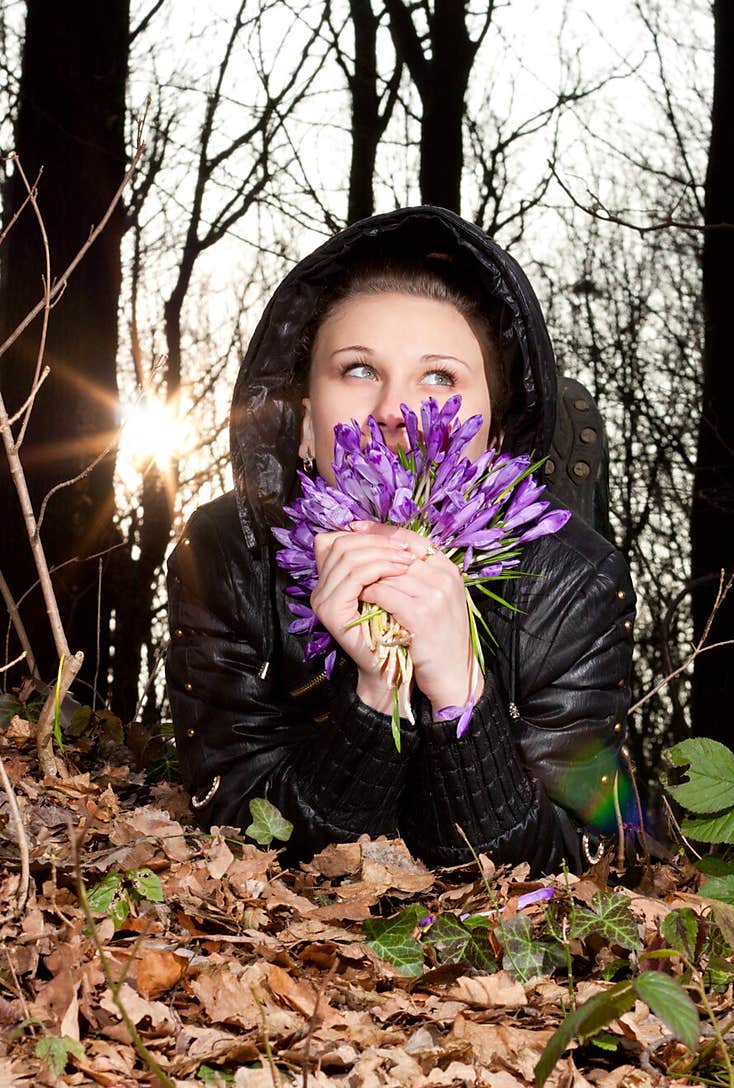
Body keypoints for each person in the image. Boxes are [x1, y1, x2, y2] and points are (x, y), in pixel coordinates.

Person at [165, 205, 637, 876]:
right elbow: (238, 835)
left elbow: (572, 865)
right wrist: (377, 695)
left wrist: (459, 694)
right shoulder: (227, 555)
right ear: (303, 422)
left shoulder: (574, 584)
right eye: (359, 370)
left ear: (497, 434)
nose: (393, 412)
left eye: (439, 377)